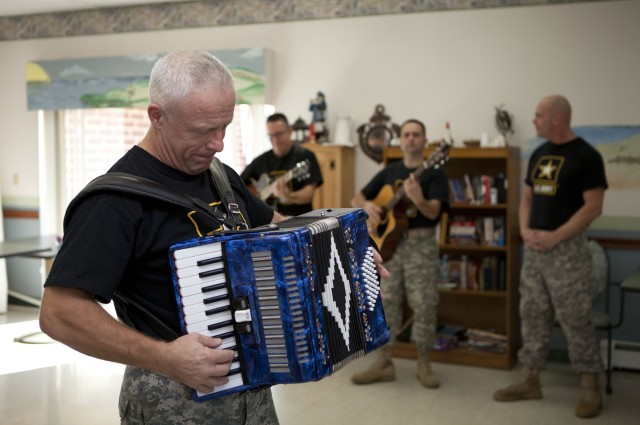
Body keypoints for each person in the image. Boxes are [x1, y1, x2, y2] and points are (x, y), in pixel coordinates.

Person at [38, 50, 287, 425]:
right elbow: (58, 313)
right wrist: (166, 356)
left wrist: (338, 245)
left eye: (224, 127)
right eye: (203, 130)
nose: (218, 143)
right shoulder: (115, 202)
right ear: (157, 116)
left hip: (252, 395)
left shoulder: (220, 176)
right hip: (171, 400)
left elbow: (277, 227)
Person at [493, 95, 608, 419]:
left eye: (539, 114)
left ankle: (589, 385)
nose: (533, 119)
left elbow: (593, 207)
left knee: (575, 317)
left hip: (567, 250)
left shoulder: (587, 156)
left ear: (557, 118)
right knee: (532, 312)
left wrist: (557, 235)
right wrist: (526, 230)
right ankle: (530, 379)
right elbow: (526, 198)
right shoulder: (539, 154)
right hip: (535, 249)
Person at [350, 119, 449, 389]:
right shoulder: (390, 170)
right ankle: (384, 362)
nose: (411, 139)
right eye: (406, 134)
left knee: (424, 303)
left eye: (416, 134)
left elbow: (434, 212)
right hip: (390, 247)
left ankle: (424, 364)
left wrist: (417, 198)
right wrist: (368, 205)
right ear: (401, 140)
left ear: (425, 141)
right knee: (386, 303)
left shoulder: (434, 173)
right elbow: (356, 198)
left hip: (421, 246)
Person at [240, 113, 323, 216]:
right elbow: (238, 185)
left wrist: (289, 196)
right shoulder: (260, 160)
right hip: (269, 224)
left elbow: (308, 194)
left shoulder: (306, 157)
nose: (275, 140)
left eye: (279, 134)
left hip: (299, 222)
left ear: (289, 131)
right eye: (271, 135)